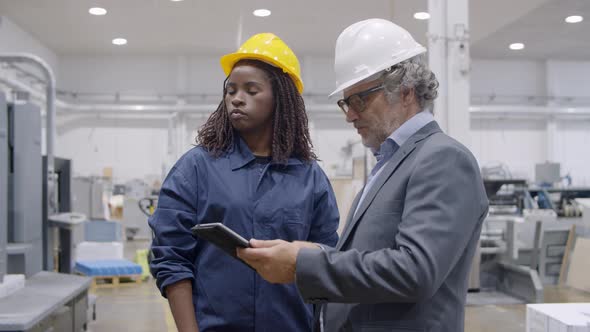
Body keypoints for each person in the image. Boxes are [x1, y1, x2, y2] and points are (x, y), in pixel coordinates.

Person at [238, 19, 489, 332]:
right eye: (346, 102)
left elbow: (416, 270)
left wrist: (303, 264)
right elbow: (375, 256)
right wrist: (318, 254)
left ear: (406, 91)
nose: (350, 115)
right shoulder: (391, 161)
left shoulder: (443, 159)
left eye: (360, 99)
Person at [149, 32, 340, 332]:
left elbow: (327, 263)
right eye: (231, 90)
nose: (237, 98)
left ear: (281, 99)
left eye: (252, 90)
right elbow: (171, 259)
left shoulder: (309, 177)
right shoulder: (196, 169)